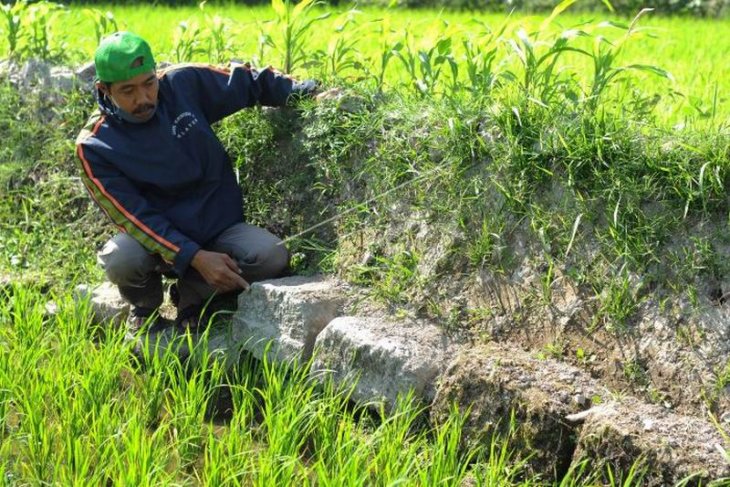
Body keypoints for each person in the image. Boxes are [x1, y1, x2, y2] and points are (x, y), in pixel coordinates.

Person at [75, 31, 321, 332]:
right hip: (156, 244)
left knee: (272, 255)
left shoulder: (180, 84)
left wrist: (299, 91)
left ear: (155, 74)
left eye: (148, 84)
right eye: (127, 91)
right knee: (121, 258)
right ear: (104, 89)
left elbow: (246, 82)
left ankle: (191, 295)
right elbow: (134, 218)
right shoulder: (94, 146)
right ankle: (146, 304)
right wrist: (192, 256)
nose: (143, 98)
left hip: (219, 226)